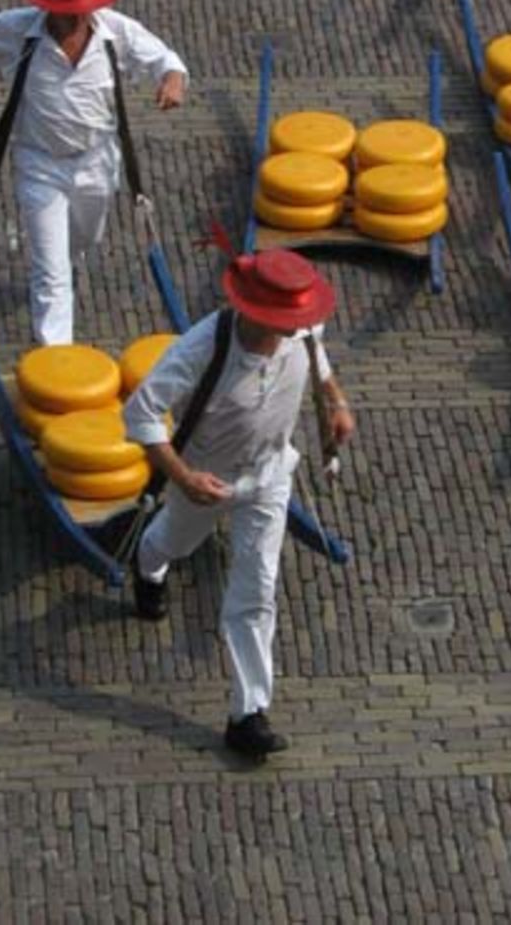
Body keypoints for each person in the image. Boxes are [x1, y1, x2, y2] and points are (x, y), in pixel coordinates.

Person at [122, 249, 355, 760]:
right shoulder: (202, 347)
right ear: (251, 310)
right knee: (171, 542)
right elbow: (140, 413)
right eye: (279, 323)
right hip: (209, 478)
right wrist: (182, 478)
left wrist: (336, 403)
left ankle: (247, 713)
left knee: (257, 585)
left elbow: (321, 365)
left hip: (272, 475)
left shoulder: (301, 330)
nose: (287, 333)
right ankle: (148, 564)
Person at [0, 0, 189, 345]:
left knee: (85, 239)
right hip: (40, 165)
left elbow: (165, 59)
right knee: (51, 272)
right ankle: (54, 357)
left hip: (97, 161)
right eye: (67, 11)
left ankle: (66, 257)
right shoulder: (13, 31)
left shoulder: (118, 33)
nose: (76, 18)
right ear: (47, 6)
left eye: (82, 9)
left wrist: (172, 80)